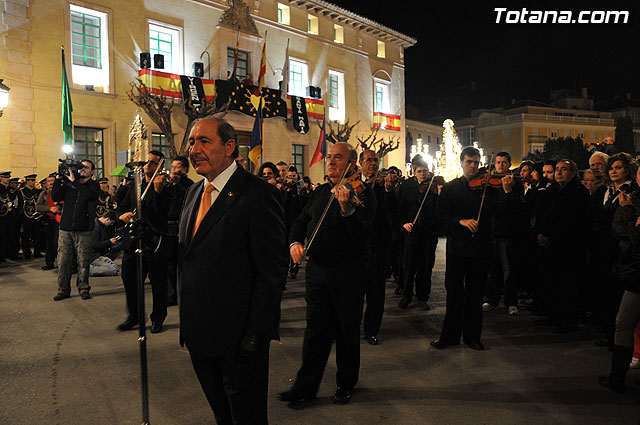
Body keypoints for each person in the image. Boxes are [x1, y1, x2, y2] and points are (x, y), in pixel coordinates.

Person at [178, 117, 287, 424]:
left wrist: (256, 335)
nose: (194, 149)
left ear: (229, 147)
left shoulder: (258, 194)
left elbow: (272, 273)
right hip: (199, 333)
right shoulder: (194, 192)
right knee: (222, 414)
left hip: (239, 339)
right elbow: (193, 252)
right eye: (191, 142)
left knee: (246, 417)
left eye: (203, 141)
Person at [280, 142, 375, 405]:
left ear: (352, 165)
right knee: (315, 332)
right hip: (318, 273)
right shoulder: (320, 192)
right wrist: (295, 243)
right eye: (329, 158)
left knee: (346, 331)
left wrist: (348, 211)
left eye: (338, 158)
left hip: (348, 275)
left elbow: (364, 235)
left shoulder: (363, 195)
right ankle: (304, 388)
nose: (331, 162)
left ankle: (346, 383)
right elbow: (300, 222)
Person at [431, 147, 517, 351]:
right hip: (457, 250)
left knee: (475, 294)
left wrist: (507, 192)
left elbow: (501, 213)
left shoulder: (490, 189)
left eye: (476, 162)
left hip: (480, 250)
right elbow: (441, 218)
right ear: (461, 163)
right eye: (469, 162)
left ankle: (473, 337)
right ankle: (449, 336)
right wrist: (461, 221)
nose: (473, 166)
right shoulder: (451, 189)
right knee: (454, 294)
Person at [116, 150, 170, 333]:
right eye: (146, 162)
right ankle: (134, 316)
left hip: (154, 243)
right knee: (129, 279)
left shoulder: (164, 186)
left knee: (158, 282)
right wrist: (121, 215)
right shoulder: (135, 186)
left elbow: (162, 213)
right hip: (133, 241)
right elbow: (121, 207)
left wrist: (157, 191)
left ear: (160, 166)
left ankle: (158, 317)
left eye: (153, 162)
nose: (147, 165)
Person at [534, 159, 591, 333]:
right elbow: (542, 213)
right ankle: (554, 315)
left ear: (573, 173)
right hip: (550, 246)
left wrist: (552, 237)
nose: (558, 172)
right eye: (557, 169)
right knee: (552, 283)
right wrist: (541, 233)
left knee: (568, 285)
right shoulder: (552, 190)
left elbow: (573, 221)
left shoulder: (579, 192)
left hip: (569, 247)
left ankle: (569, 320)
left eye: (563, 169)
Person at [360, 150, 398, 345]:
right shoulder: (354, 185)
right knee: (354, 290)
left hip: (380, 244)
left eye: (375, 160)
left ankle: (372, 329)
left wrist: (390, 192)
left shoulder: (386, 186)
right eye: (369, 160)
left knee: (376, 291)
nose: (373, 164)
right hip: (357, 246)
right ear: (360, 164)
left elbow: (393, 211)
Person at [51, 159, 101, 300]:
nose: (82, 169)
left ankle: (83, 288)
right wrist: (58, 180)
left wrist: (74, 182)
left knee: (83, 261)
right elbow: (55, 196)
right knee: (63, 261)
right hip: (66, 229)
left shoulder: (94, 186)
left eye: (86, 168)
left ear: (92, 172)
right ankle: (63, 289)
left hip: (84, 229)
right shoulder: (69, 184)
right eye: (81, 167)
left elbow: (88, 195)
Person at [483, 152, 524, 315]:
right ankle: (491, 299)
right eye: (498, 162)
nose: (500, 165)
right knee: (493, 270)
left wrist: (507, 192)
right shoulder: (490, 184)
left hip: (507, 232)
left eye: (504, 162)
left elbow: (516, 209)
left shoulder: (516, 185)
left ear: (509, 165)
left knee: (509, 270)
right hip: (492, 231)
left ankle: (511, 302)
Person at [398, 156, 438, 311]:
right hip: (412, 233)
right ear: (414, 173)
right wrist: (404, 223)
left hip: (429, 233)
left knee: (426, 266)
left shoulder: (433, 189)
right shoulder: (408, 190)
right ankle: (406, 295)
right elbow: (400, 210)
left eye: (425, 171)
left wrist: (439, 195)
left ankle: (422, 297)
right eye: (419, 171)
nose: (422, 174)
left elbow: (439, 211)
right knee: (409, 266)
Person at [165, 156, 194, 305]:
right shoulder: (167, 184)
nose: (175, 170)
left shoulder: (189, 185)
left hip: (182, 225)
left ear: (185, 169)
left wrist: (178, 183)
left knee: (183, 261)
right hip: (168, 226)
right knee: (169, 262)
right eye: (173, 166)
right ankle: (172, 294)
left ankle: (184, 291)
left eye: (178, 167)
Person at [36, 173, 61, 270]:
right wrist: (49, 208)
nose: (51, 183)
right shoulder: (44, 194)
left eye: (53, 181)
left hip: (60, 221)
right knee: (50, 243)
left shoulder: (61, 192)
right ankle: (49, 263)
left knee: (59, 243)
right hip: (49, 221)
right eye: (49, 181)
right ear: (46, 184)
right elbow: (38, 206)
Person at [89, 210, 120, 276]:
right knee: (113, 269)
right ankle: (88, 269)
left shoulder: (101, 226)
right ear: (107, 219)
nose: (111, 225)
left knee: (115, 268)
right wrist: (109, 242)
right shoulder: (96, 227)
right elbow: (94, 244)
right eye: (111, 223)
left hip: (98, 254)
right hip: (93, 256)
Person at [18, 174, 42, 259]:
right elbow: (20, 205)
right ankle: (27, 253)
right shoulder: (21, 191)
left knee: (37, 235)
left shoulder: (37, 191)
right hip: (26, 216)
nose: (33, 182)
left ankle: (37, 252)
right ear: (27, 181)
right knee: (26, 236)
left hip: (35, 216)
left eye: (34, 180)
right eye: (31, 180)